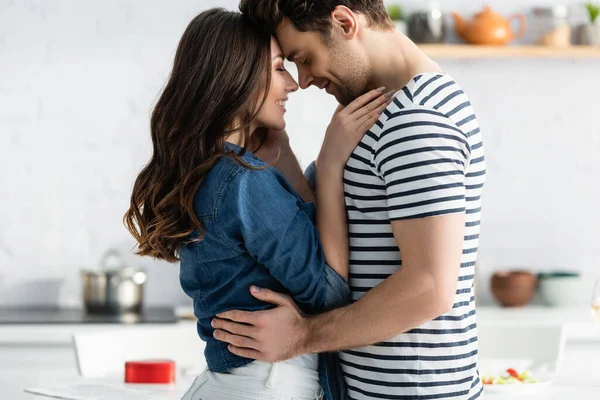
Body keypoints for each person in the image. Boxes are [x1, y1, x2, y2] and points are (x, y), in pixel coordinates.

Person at [212, 1, 487, 399]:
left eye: (303, 58)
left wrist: (301, 336)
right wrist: (286, 157)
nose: (302, 81)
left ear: (343, 23)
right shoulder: (379, 111)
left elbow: (430, 287)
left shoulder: (418, 120)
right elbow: (332, 220)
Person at [123, 7, 392, 400]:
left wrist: (287, 160)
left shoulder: (212, 171)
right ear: (239, 77)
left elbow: (304, 228)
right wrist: (331, 165)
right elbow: (330, 291)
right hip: (266, 384)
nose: (294, 84)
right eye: (280, 67)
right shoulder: (244, 182)